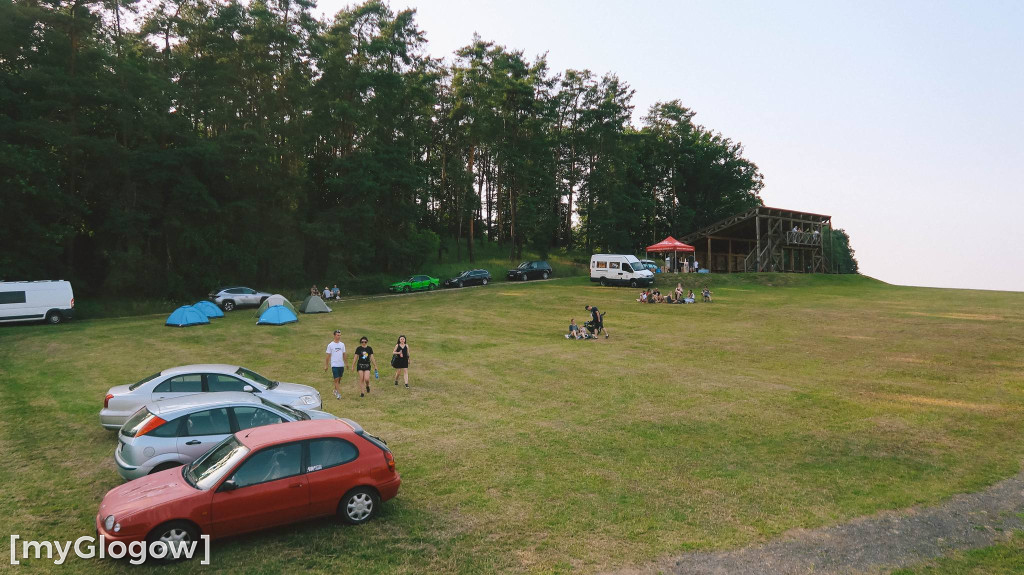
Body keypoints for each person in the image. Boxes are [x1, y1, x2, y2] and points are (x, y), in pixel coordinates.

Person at [323, 330, 347, 399]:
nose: (339, 337)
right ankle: (338, 394)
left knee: (339, 379)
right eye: (337, 335)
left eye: (340, 335)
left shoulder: (342, 344)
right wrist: (326, 365)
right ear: (334, 335)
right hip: (334, 365)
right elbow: (328, 356)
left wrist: (346, 363)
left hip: (341, 365)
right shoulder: (330, 345)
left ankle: (335, 390)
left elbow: (344, 354)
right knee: (336, 379)